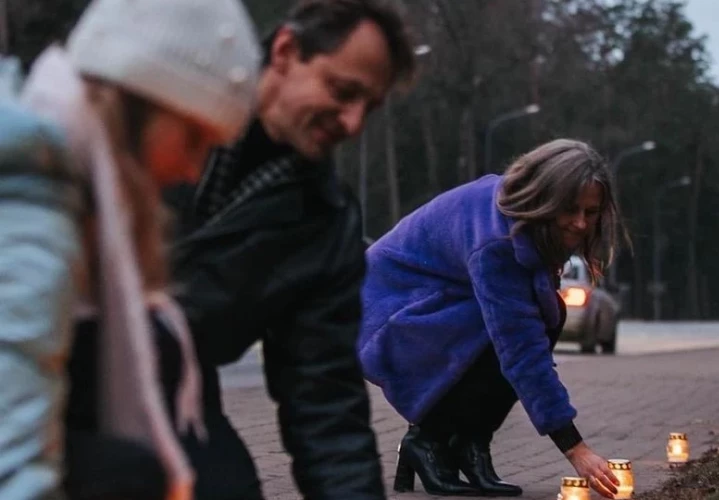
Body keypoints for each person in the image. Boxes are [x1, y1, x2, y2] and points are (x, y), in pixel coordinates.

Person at [0, 0, 261, 498]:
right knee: (128, 476)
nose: (192, 169)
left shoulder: (64, 177)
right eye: (195, 137)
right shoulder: (33, 208)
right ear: (142, 99)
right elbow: (10, 458)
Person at [164, 0, 416, 498]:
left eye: (369, 106)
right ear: (285, 50)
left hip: (174, 401)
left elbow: (326, 406)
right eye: (344, 93)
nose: (353, 123)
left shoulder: (324, 224)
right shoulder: (160, 101)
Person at [359, 139, 626, 499]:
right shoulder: (498, 240)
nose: (579, 223)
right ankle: (429, 442)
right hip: (382, 319)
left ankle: (471, 446)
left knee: (547, 312)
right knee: (506, 332)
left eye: (590, 212)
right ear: (545, 197)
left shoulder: (523, 218)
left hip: (427, 309)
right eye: (570, 209)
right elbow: (521, 350)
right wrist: (575, 449)